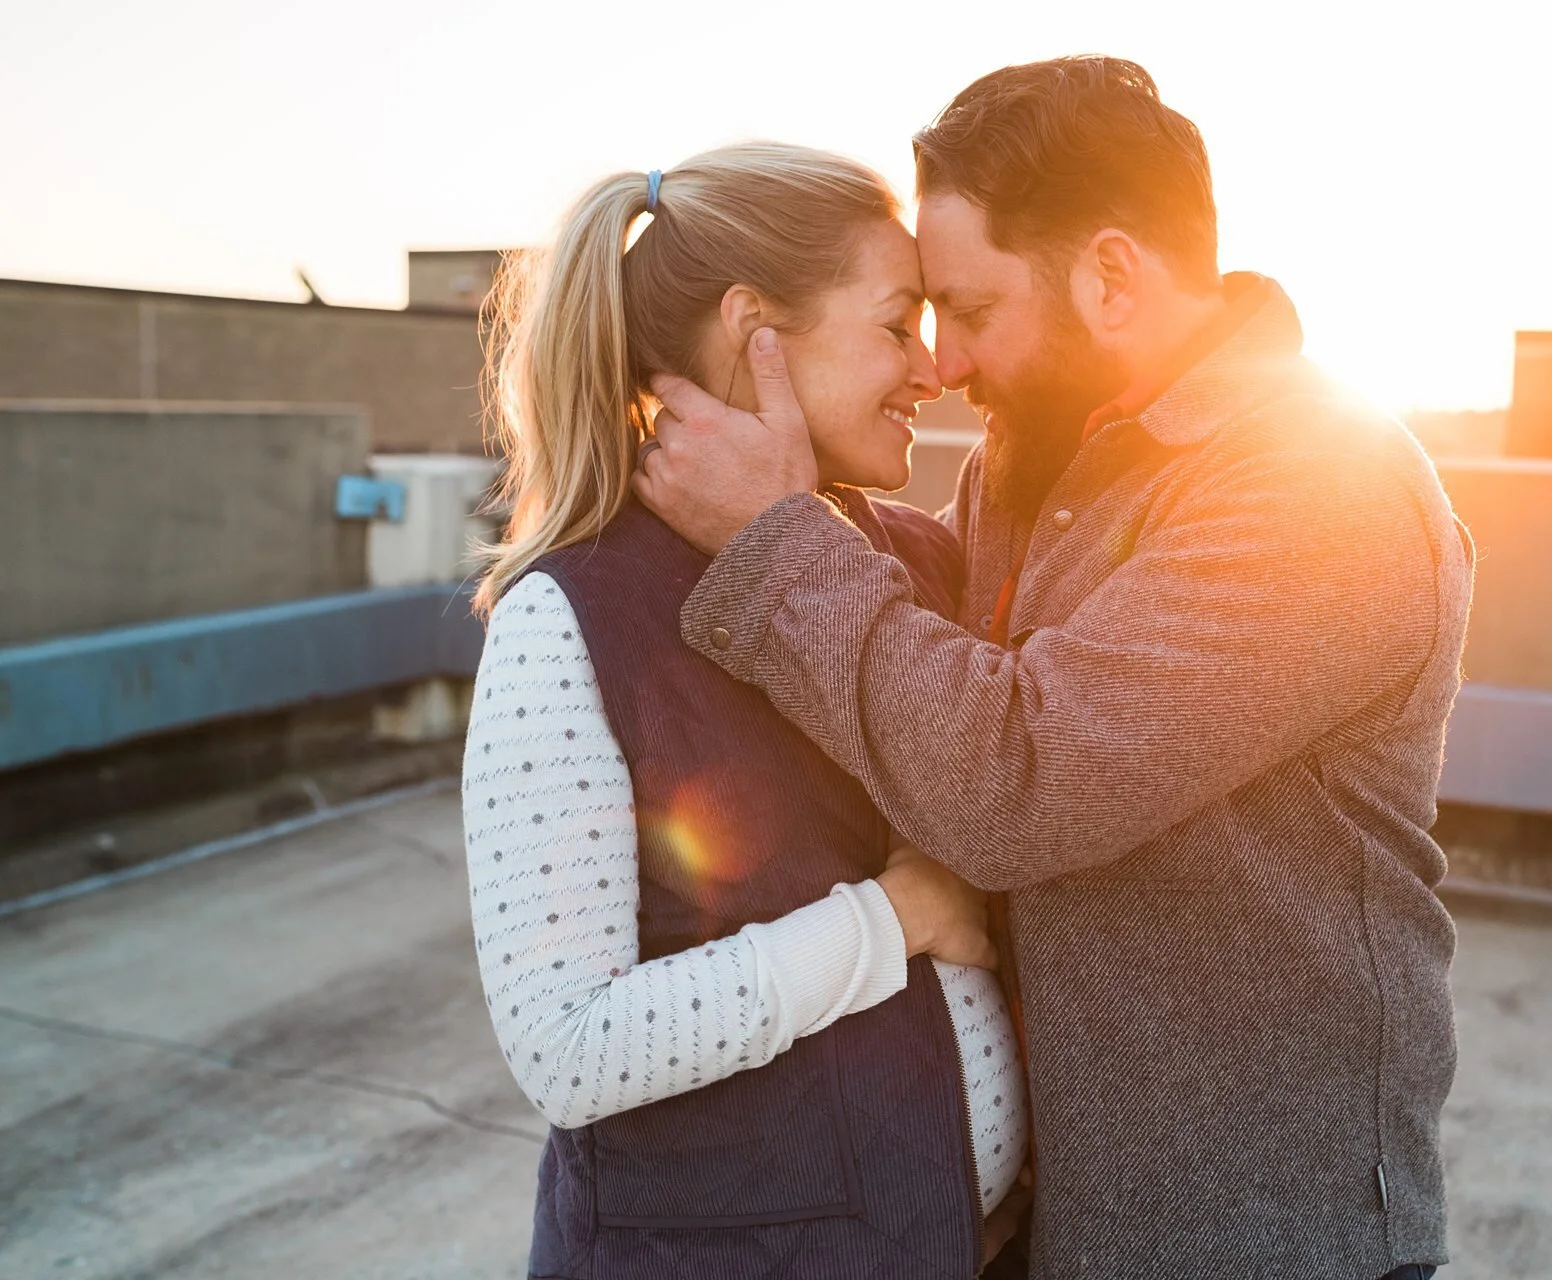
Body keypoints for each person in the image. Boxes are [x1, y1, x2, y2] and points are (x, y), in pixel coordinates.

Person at [634, 57, 1475, 1280]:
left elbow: (1014, 782)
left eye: (971, 310)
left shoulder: (1318, 482)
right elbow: (926, 708)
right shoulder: (1030, 459)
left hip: (1260, 1242)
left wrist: (776, 540)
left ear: (1114, 276)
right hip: (1055, 1217)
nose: (951, 363)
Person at [460, 143, 1029, 1280]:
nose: (930, 369)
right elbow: (569, 1046)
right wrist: (895, 919)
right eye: (893, 322)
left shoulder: (918, 555)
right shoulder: (571, 613)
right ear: (752, 332)